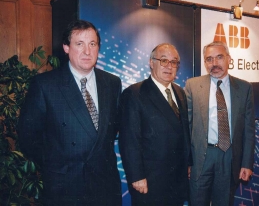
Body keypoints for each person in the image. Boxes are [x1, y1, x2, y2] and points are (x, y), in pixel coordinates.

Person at [17, 20, 122, 206]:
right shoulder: (45, 85)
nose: (87, 51)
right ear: (66, 47)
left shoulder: (112, 83)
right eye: (79, 44)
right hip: (65, 186)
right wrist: (56, 164)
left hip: (105, 185)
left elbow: (110, 131)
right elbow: (28, 136)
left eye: (92, 44)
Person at [119, 43, 191, 206]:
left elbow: (184, 132)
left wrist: (189, 163)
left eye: (174, 62)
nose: (169, 66)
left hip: (177, 179)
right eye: (163, 60)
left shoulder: (180, 92)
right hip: (150, 181)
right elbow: (129, 141)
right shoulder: (134, 94)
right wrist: (136, 176)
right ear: (151, 63)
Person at [185, 41, 255, 206]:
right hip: (201, 157)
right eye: (209, 59)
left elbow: (249, 130)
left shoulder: (244, 88)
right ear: (204, 62)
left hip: (229, 156)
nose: (214, 63)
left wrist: (246, 163)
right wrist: (187, 162)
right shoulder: (193, 86)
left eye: (219, 57)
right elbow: (186, 128)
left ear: (229, 59)